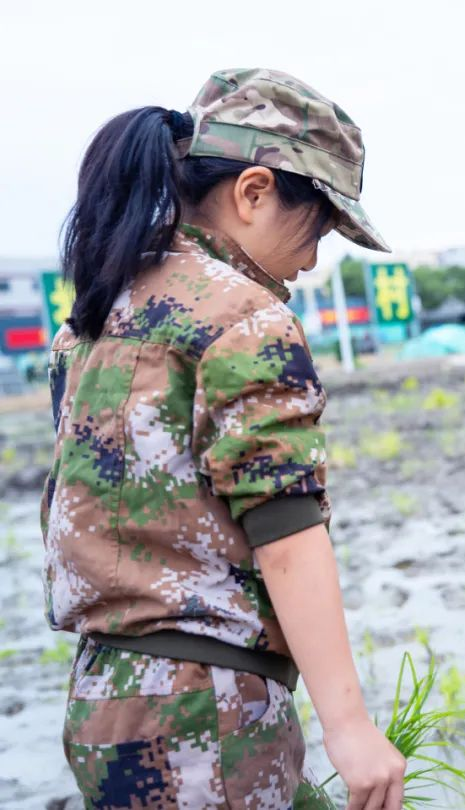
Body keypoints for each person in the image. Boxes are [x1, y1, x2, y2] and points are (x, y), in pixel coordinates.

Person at [44, 68, 405, 810]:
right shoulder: (243, 316)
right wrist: (350, 725)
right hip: (207, 707)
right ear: (253, 193)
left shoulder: (89, 319)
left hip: (102, 701)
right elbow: (285, 532)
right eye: (319, 230)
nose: (311, 261)